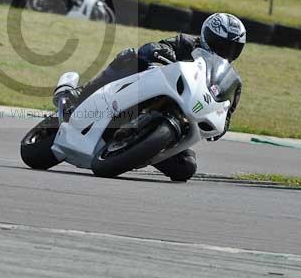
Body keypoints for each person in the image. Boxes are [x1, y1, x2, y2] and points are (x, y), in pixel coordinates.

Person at [63, 13, 246, 181]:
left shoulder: (230, 82)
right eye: (220, 43)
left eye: (232, 48)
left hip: (181, 123)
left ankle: (138, 150)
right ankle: (80, 94)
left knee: (186, 168)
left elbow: (226, 117)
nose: (225, 50)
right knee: (131, 56)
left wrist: (218, 125)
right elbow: (156, 47)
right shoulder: (187, 43)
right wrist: (159, 50)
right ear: (207, 37)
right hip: (154, 90)